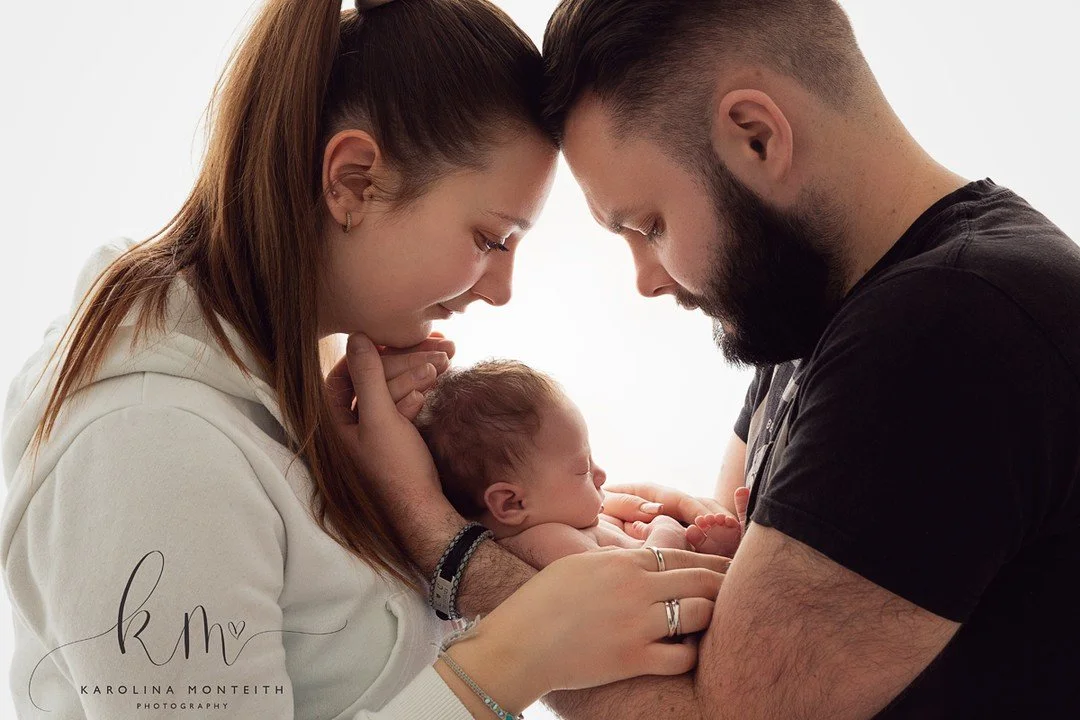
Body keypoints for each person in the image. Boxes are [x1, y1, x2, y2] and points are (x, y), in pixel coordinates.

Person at [0, 1, 726, 718]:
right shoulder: (147, 449)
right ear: (351, 182)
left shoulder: (305, 394)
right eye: (490, 239)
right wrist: (520, 649)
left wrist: (494, 520)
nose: (501, 290)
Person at [534, 0, 1080, 718]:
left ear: (756, 137)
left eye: (650, 225)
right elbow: (734, 603)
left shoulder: (949, 326)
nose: (647, 279)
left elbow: (715, 712)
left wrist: (458, 546)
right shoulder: (812, 302)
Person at [415, 359, 745, 567]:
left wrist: (698, 543)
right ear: (512, 503)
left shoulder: (572, 519)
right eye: (583, 468)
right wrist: (667, 530)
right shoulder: (546, 540)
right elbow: (642, 579)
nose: (601, 474)